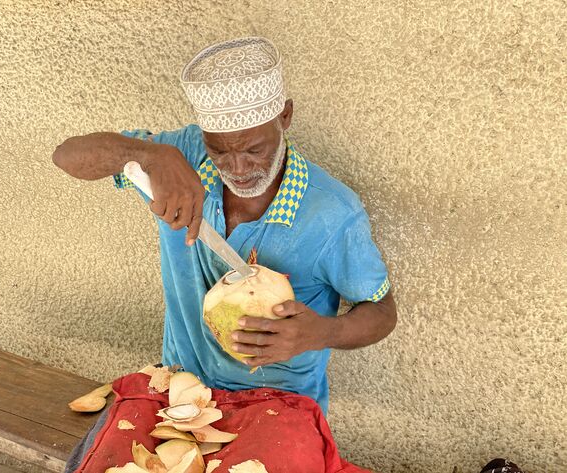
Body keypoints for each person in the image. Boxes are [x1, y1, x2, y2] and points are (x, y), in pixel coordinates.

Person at [52, 37, 397, 416]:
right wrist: (149, 154)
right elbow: (66, 156)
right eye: (220, 151)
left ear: (285, 116)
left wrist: (321, 333)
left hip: (277, 406)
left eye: (253, 150)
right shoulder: (180, 158)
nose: (237, 169)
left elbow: (382, 311)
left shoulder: (331, 213)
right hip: (180, 390)